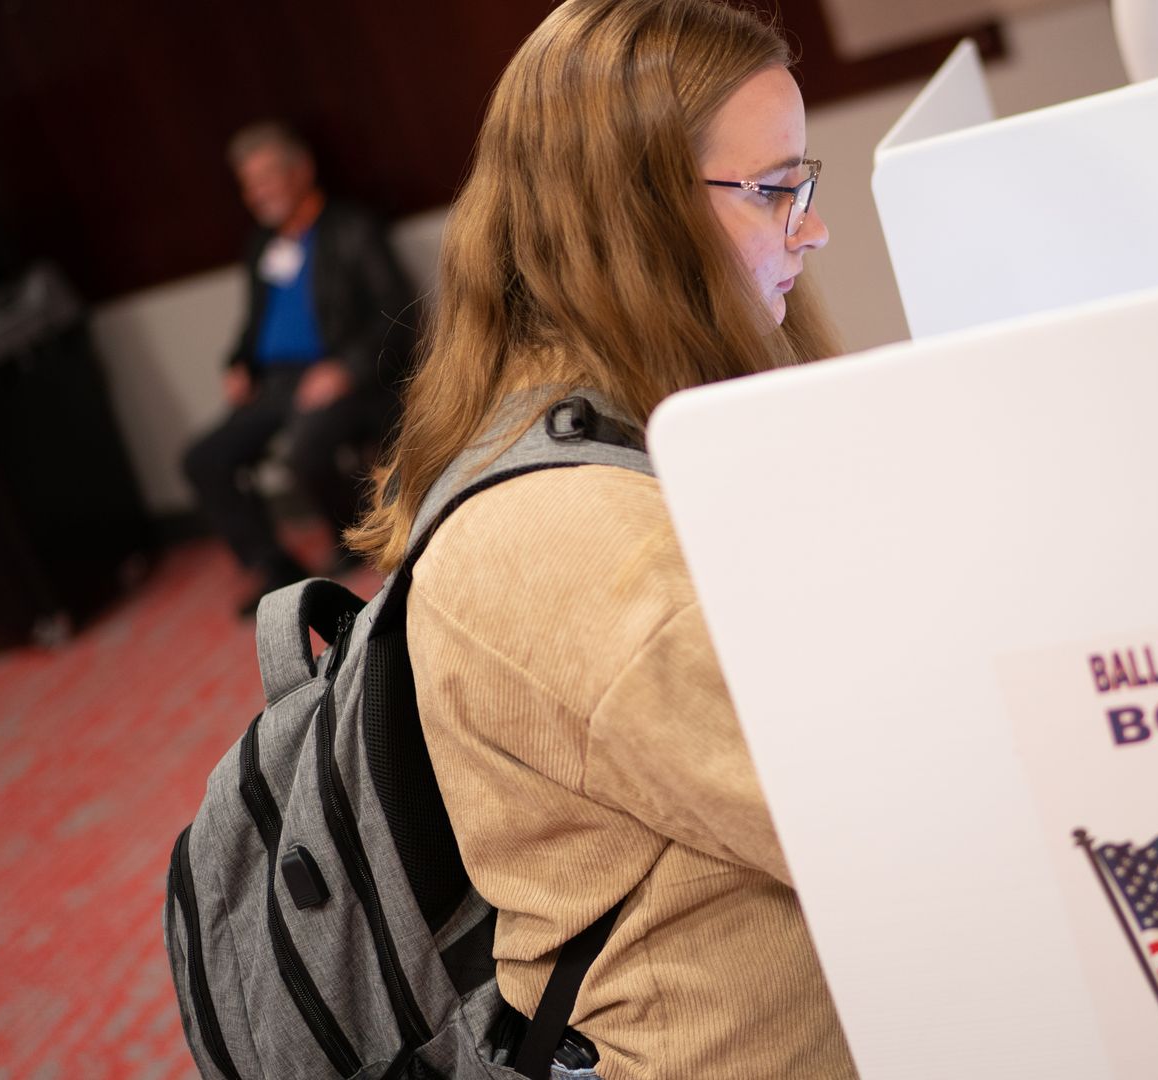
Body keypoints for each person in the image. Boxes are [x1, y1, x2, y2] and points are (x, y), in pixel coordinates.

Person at [347, 1, 854, 1076]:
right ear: (635, 216)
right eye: (773, 191)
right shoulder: (572, 541)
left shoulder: (611, 410)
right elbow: (870, 816)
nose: (811, 228)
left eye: (803, 183)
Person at [183, 121, 415, 613]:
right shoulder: (261, 247)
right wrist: (239, 363)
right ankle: (274, 568)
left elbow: (398, 312)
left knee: (305, 444)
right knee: (204, 457)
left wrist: (344, 369)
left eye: (267, 177)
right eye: (249, 183)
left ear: (302, 170)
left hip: (342, 377)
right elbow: (254, 324)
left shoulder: (351, 228)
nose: (258, 192)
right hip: (277, 383)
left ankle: (353, 537)